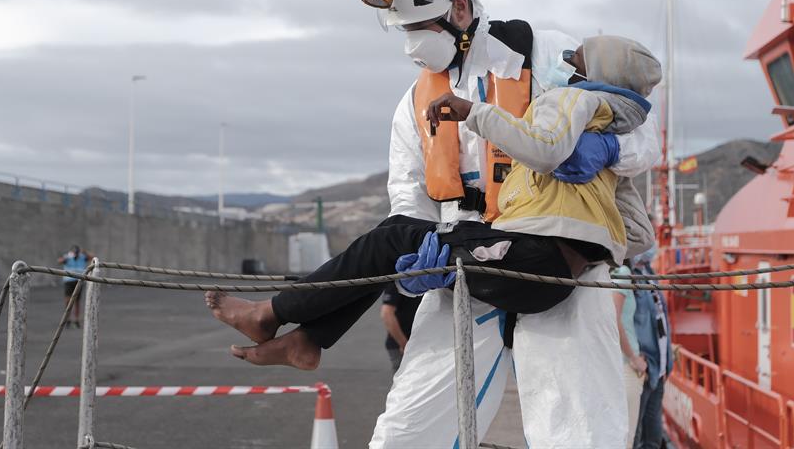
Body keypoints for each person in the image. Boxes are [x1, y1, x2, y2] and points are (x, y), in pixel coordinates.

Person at [206, 33, 661, 446]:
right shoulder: (603, 124)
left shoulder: (562, 90)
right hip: (539, 261)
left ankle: (273, 315)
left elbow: (546, 148)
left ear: (460, 5)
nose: (564, 61)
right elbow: (640, 233)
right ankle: (308, 337)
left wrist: (475, 114)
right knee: (416, 411)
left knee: (387, 243)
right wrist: (593, 242)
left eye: (574, 59)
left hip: (528, 255)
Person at [632, 247, 673, 449]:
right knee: (636, 432)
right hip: (645, 367)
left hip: (660, 367)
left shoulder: (649, 273)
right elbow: (622, 320)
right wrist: (635, 357)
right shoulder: (627, 277)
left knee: (653, 434)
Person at [613, 260, 648, 448]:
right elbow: (614, 318)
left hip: (615, 363)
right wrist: (634, 357)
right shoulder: (622, 271)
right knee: (626, 438)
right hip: (627, 365)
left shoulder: (602, 271)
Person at [380, 282, 422, 373]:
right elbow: (387, 314)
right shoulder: (397, 282)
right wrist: (404, 344)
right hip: (402, 345)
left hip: (419, 344)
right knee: (406, 379)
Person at [57, 245, 91, 327]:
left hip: (79, 280)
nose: (76, 254)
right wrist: (67, 257)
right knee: (68, 301)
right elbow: (59, 261)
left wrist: (85, 252)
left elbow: (92, 258)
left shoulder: (82, 257)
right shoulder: (68, 257)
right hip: (69, 280)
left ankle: (76, 319)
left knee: (77, 301)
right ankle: (68, 319)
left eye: (77, 252)